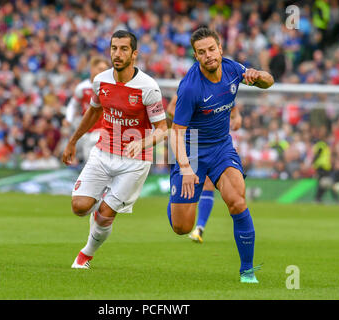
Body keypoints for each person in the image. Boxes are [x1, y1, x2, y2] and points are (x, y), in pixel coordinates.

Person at [167, 27, 274, 283]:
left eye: (211, 49)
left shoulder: (233, 69)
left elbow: (270, 81)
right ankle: (175, 195)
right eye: (201, 52)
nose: (208, 56)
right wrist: (184, 168)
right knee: (182, 227)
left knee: (237, 200)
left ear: (220, 49)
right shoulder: (190, 88)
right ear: (195, 56)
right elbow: (176, 133)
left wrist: (258, 76)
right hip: (191, 151)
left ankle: (247, 271)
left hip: (221, 148)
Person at [62, 30, 168, 269]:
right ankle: (101, 202)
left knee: (105, 213)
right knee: (79, 207)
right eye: (113, 48)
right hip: (102, 153)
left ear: (134, 54)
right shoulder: (100, 81)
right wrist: (73, 140)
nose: (117, 54)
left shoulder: (148, 87)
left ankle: (85, 255)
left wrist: (142, 142)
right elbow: (94, 111)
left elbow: (162, 128)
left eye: (123, 49)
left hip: (135, 161)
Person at [166, 94, 243, 243]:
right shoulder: (190, 88)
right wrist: (194, 119)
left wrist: (237, 116)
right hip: (186, 141)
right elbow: (170, 109)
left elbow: (231, 106)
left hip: (209, 143)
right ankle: (175, 199)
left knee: (208, 183)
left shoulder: (219, 88)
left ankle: (199, 228)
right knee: (182, 189)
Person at [65, 56, 110, 164]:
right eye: (100, 69)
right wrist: (68, 119)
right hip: (87, 131)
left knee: (100, 163)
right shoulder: (82, 87)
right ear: (92, 69)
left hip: (103, 130)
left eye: (105, 70)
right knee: (88, 162)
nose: (102, 72)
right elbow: (73, 104)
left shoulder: (109, 87)